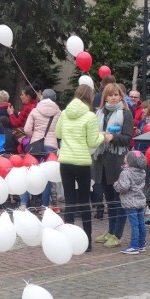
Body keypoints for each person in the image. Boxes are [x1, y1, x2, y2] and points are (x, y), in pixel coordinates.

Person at [55, 84, 106, 253]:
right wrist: (102, 136)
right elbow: (92, 142)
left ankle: (68, 240)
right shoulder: (90, 116)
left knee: (69, 202)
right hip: (82, 162)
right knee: (84, 202)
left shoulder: (64, 113)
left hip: (66, 161)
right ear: (90, 97)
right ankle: (87, 242)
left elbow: (59, 133)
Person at [93, 83, 133, 248]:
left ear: (121, 96)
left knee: (118, 199)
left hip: (117, 159)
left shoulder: (125, 113)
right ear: (105, 97)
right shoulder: (99, 113)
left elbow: (127, 138)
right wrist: (99, 135)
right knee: (109, 198)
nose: (114, 97)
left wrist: (112, 137)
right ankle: (110, 230)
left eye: (117, 94)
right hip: (101, 158)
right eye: (110, 95)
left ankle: (117, 234)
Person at [21, 89, 61, 211]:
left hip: (35, 144)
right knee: (47, 176)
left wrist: (34, 136)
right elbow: (60, 132)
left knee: (28, 172)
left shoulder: (35, 110)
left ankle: (23, 203)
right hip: (51, 146)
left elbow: (27, 129)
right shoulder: (59, 112)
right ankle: (44, 207)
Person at [114, 150, 148, 254]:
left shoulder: (126, 173)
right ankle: (141, 244)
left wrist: (116, 185)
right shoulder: (142, 172)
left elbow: (124, 187)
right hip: (140, 201)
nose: (125, 157)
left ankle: (133, 246)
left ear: (130, 160)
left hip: (130, 202)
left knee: (134, 225)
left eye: (126, 156)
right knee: (141, 223)